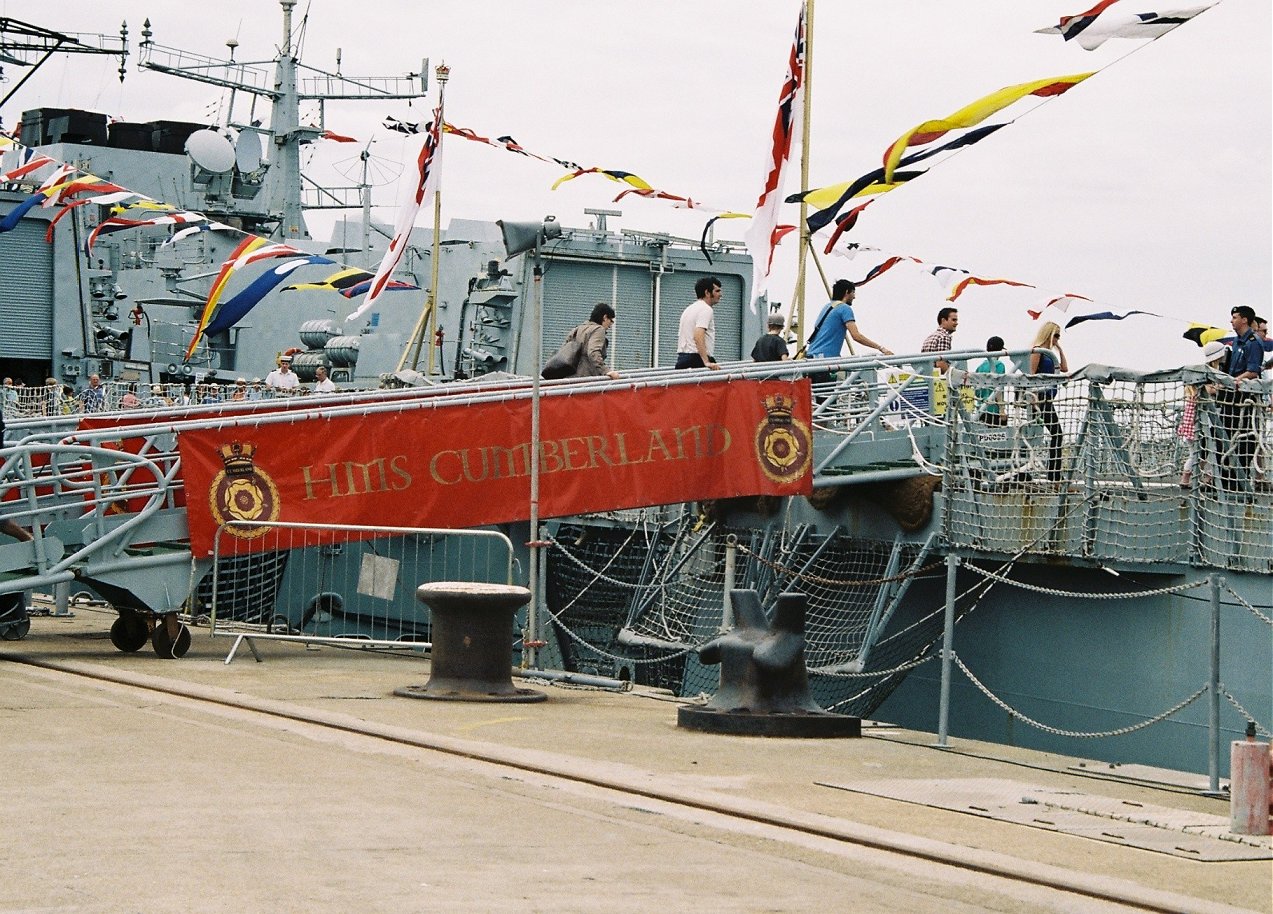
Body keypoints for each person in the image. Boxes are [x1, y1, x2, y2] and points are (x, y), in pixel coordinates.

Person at [1217, 305, 1263, 491]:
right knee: (1224, 436)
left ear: (1244, 320)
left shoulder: (1253, 342)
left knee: (1244, 439)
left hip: (1244, 398)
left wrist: (1235, 380)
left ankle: (1239, 482)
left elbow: (1253, 371)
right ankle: (1225, 480)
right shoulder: (1236, 342)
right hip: (1231, 397)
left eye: (1235, 317)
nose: (1232, 320)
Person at [1179, 340, 1228, 487]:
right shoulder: (1204, 378)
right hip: (1198, 425)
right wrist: (1221, 386)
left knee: (1204, 452)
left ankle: (1204, 479)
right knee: (1199, 453)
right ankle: (1187, 478)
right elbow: (1210, 390)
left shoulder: (1194, 388)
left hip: (1197, 424)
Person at [1028, 321, 1068, 483]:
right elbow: (1032, 374)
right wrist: (1034, 399)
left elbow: (1064, 368)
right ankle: (1054, 474)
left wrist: (1059, 349)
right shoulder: (1038, 351)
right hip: (1041, 398)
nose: (1057, 338)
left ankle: (1054, 473)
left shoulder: (1050, 354)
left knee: (1056, 434)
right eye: (1055, 335)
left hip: (1048, 398)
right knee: (1057, 434)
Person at [559, 302, 621, 379]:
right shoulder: (598, 329)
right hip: (586, 378)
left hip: (570, 377)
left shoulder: (578, 329)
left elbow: (564, 351)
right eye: (611, 320)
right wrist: (606, 371)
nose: (611, 325)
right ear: (605, 317)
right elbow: (593, 352)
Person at [675, 276, 722, 370]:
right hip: (696, 359)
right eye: (717, 291)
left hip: (683, 358)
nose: (720, 294)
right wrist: (706, 361)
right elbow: (698, 334)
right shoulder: (706, 309)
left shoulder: (689, 309)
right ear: (707, 293)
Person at [972, 335, 1010, 425]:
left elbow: (976, 390)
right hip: (994, 410)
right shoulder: (999, 365)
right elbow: (998, 388)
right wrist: (1002, 410)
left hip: (981, 409)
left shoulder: (980, 367)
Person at [919, 307, 959, 373]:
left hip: (927, 375)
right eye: (953, 320)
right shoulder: (944, 337)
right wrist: (952, 378)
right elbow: (940, 363)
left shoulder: (931, 336)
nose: (956, 323)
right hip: (936, 378)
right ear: (943, 320)